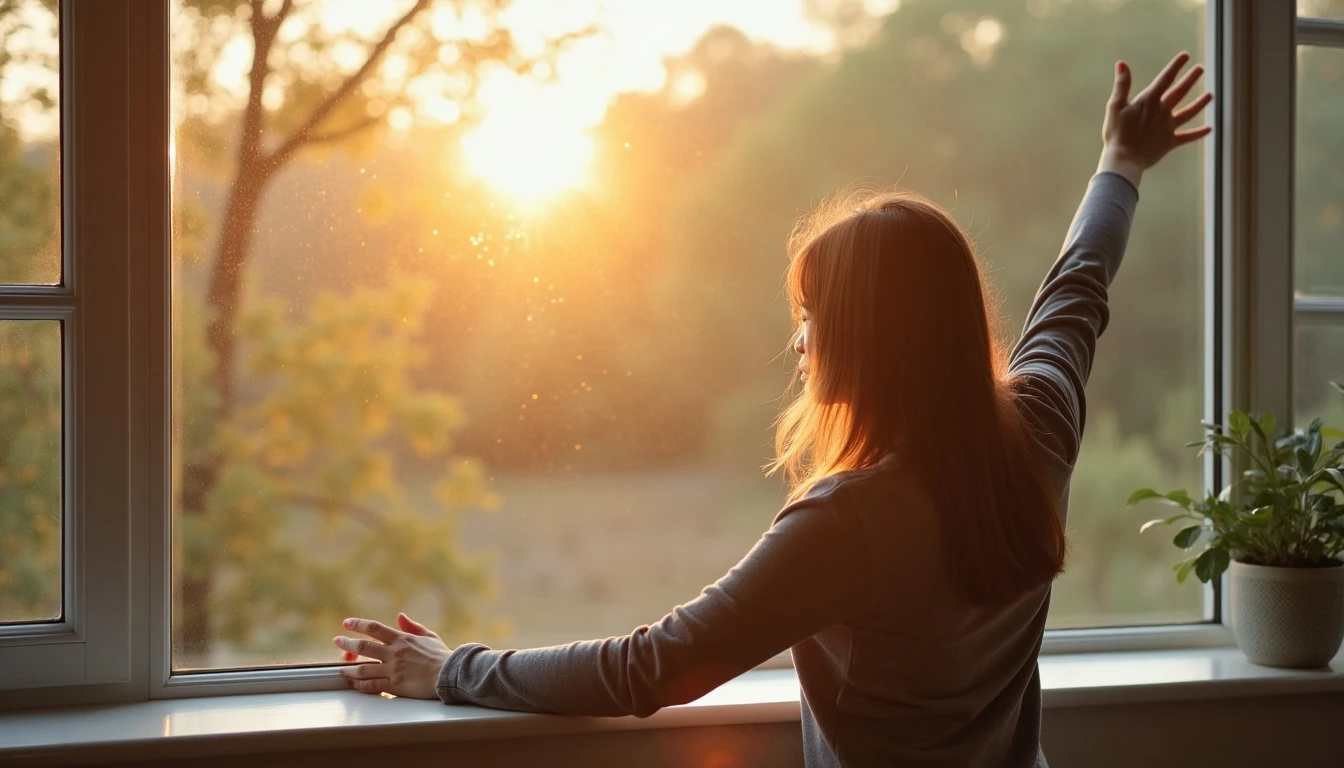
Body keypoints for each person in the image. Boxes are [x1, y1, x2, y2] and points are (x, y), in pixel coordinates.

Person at [332, 52, 1212, 767]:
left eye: (810, 319)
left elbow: (656, 666)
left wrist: (456, 670)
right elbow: (1080, 285)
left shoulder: (851, 522)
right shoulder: (1041, 428)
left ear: (870, 339)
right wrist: (1121, 163)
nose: (798, 345)